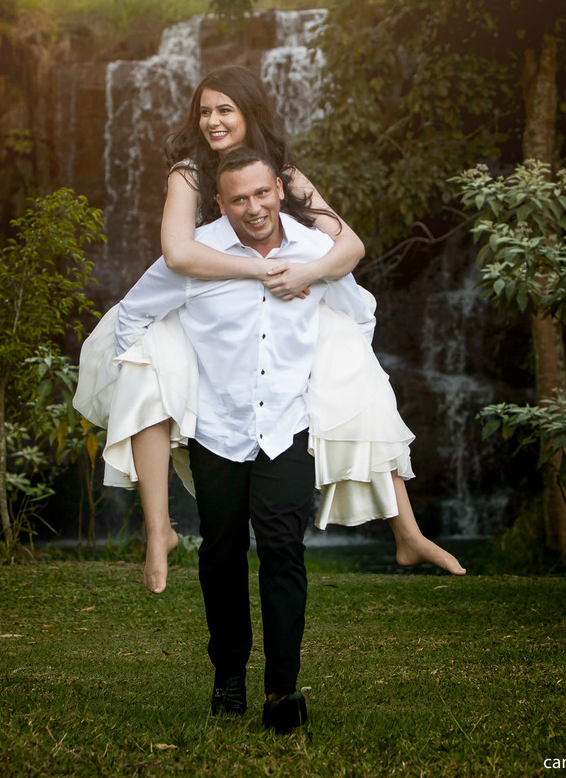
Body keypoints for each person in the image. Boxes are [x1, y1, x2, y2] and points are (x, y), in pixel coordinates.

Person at [74, 66, 463, 594]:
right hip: (214, 302)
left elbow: (349, 247)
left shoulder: (287, 171)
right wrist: (262, 269)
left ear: (249, 113)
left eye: (225, 109)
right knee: (146, 360)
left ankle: (408, 532)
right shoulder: (189, 173)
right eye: (205, 110)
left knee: (356, 367)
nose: (212, 120)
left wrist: (301, 272)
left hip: (293, 297)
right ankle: (158, 529)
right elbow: (178, 253)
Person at [116, 147, 377, 732]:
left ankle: (282, 694)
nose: (253, 208)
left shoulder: (315, 252)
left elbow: (357, 315)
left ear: (280, 191)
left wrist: (333, 382)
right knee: (223, 554)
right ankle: (228, 674)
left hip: (287, 427)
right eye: (239, 199)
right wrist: (157, 379)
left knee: (285, 554)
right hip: (219, 429)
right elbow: (132, 317)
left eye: (262, 194)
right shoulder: (195, 254)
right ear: (220, 203)